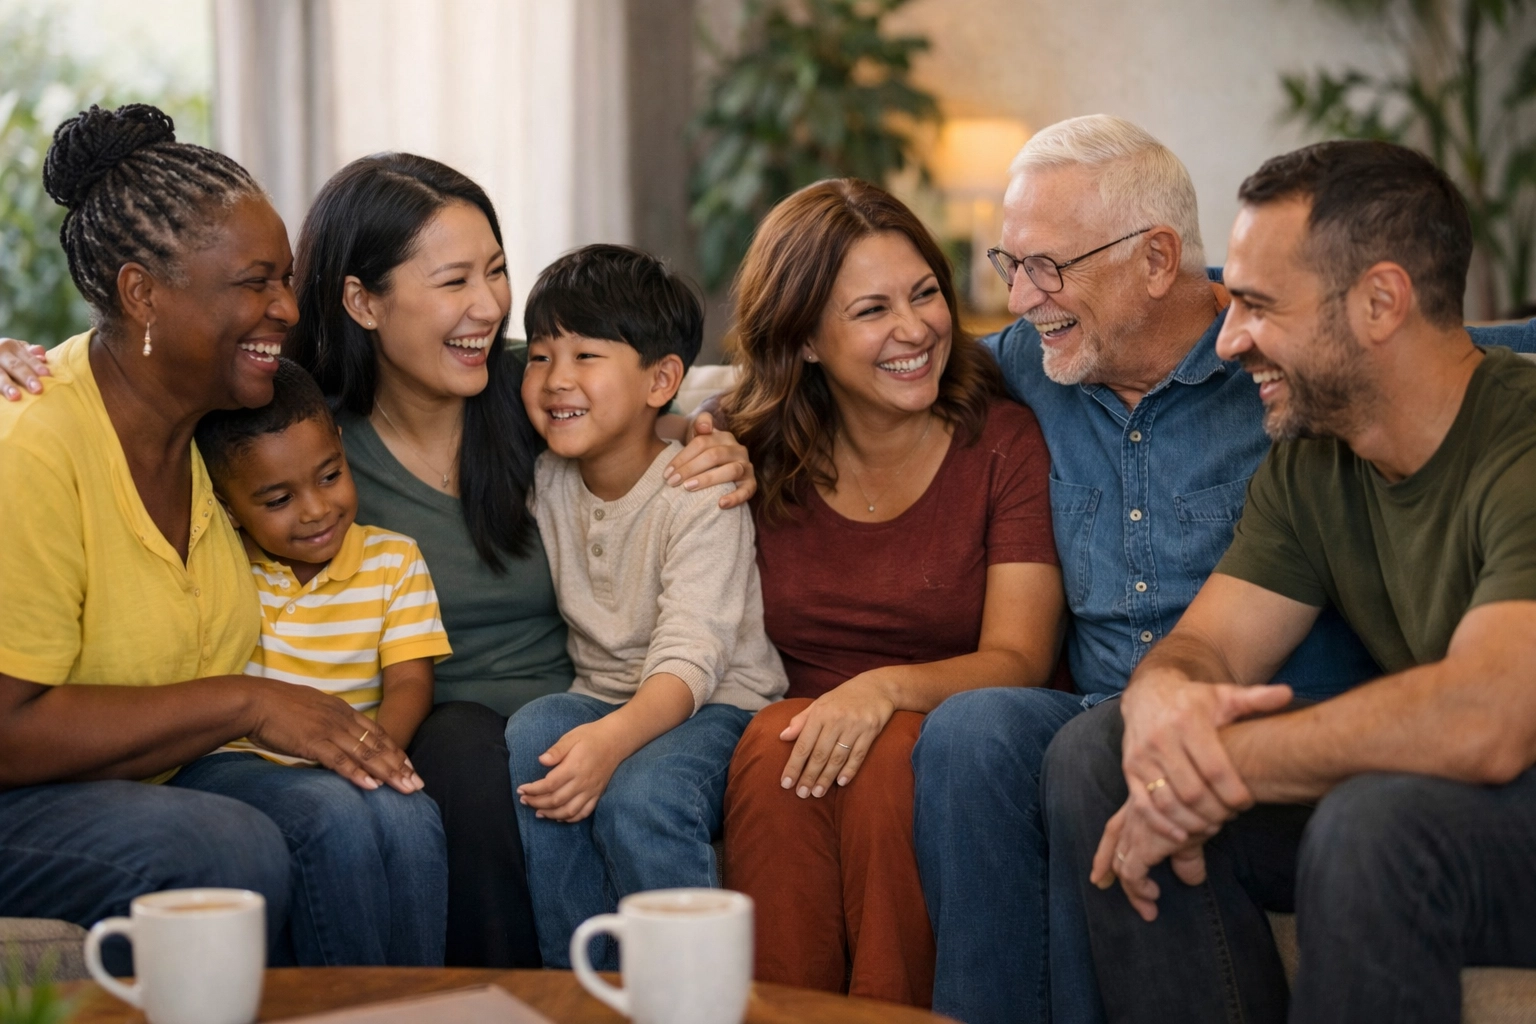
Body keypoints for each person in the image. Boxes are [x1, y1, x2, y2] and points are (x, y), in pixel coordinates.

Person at [0, 151, 757, 968]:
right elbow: (118, 379)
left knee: (396, 800)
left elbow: (641, 405)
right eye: (453, 280)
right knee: (439, 763)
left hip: (573, 710)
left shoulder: (540, 387)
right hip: (424, 734)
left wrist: (713, 440)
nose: (489, 305)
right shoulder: (280, 430)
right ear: (362, 300)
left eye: (496, 272)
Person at [907, 114, 1536, 1024]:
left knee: (1374, 828)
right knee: (1103, 755)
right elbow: (1206, 646)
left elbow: (1486, 718)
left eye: (1259, 306)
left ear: (1380, 303)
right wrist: (1163, 719)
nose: (1229, 339)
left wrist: (1210, 760)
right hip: (1435, 798)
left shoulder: (1518, 437)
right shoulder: (1317, 458)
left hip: (1497, 798)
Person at [0, 103, 440, 968]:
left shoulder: (217, 431)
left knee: (387, 807)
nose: (286, 307)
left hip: (158, 772)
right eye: (255, 283)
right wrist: (246, 700)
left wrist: (711, 430)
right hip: (25, 795)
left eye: (286, 279)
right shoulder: (34, 448)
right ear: (142, 292)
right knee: (223, 849)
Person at [718, 179, 1065, 1008]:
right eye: (872, 311)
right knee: (773, 750)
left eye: (925, 294)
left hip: (958, 726)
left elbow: (1020, 656)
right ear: (804, 339)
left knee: (887, 767)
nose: (915, 330)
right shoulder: (748, 450)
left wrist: (880, 693)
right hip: (799, 734)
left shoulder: (1003, 444)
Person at [506, 245, 788, 970]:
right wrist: (596, 737)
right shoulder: (545, 479)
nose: (556, 379)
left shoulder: (700, 487)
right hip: (603, 697)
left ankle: (691, 994)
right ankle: (584, 985)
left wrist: (610, 742)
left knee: (643, 794)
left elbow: (692, 656)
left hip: (718, 704)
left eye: (586, 356)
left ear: (662, 379)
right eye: (540, 356)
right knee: (539, 732)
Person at [194, 358, 452, 762]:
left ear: (341, 446)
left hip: (358, 757)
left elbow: (409, 683)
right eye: (279, 500)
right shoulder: (220, 565)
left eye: (330, 476)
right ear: (227, 508)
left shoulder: (395, 561)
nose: (316, 510)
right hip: (240, 765)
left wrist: (375, 754)